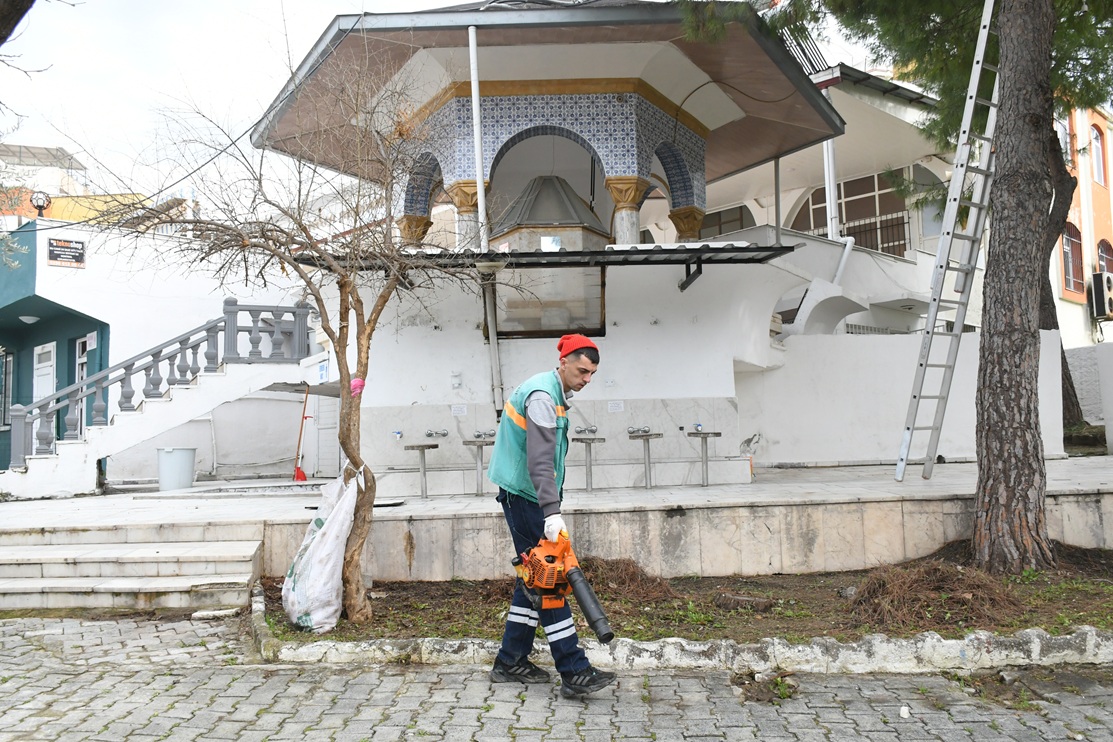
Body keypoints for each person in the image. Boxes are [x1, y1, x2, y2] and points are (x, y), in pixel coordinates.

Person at [486, 333, 617, 698]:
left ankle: (510, 660)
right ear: (564, 362)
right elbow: (540, 460)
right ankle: (574, 670)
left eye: (591, 374)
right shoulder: (543, 397)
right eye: (582, 370)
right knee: (549, 580)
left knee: (532, 579)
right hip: (525, 496)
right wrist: (551, 512)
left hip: (526, 495)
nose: (586, 379)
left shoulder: (554, 392)